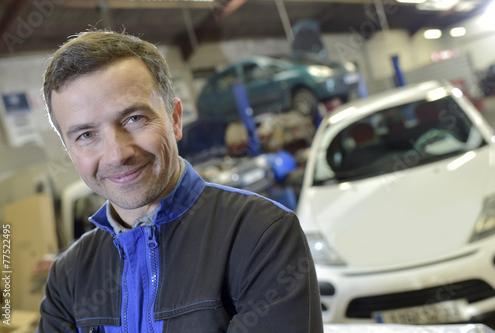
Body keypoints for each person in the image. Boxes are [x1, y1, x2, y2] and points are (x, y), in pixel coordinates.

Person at [38, 29, 323, 332]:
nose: (116, 155)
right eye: (86, 135)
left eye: (134, 119)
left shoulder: (262, 235)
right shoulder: (68, 277)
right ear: (69, 151)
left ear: (175, 119)